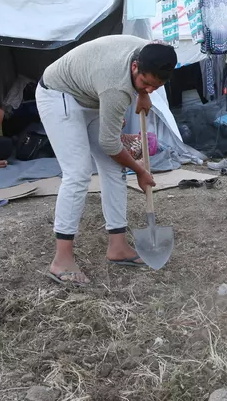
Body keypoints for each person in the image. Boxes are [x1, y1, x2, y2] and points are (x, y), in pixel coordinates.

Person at [36, 35, 177, 286]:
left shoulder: (152, 51)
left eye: (154, 86)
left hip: (90, 93)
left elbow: (146, 82)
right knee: (78, 173)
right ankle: (61, 260)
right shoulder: (117, 87)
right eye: (144, 82)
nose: (148, 88)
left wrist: (145, 93)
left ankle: (118, 246)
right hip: (59, 94)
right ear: (135, 66)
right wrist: (140, 170)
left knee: (113, 168)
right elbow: (110, 144)